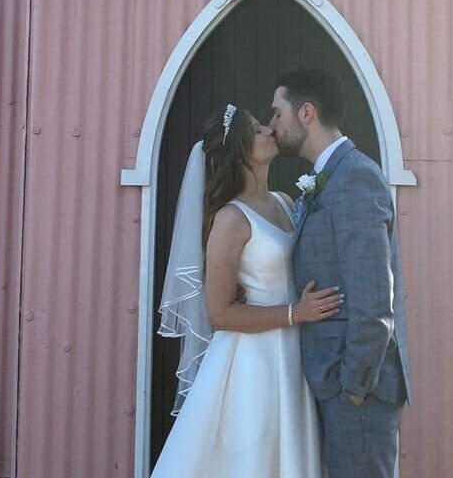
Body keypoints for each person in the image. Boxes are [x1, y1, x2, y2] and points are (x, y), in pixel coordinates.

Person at [151, 103, 340, 478]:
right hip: (252, 363)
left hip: (294, 358)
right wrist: (294, 313)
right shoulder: (231, 219)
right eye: (256, 130)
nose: (269, 131)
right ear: (239, 151)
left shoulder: (286, 203)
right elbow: (219, 313)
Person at [269, 69, 413, 478]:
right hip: (331, 385)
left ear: (307, 113)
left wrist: (353, 386)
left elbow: (373, 298)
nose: (273, 126)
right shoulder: (326, 179)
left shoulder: (355, 178)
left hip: (355, 394)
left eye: (278, 114)